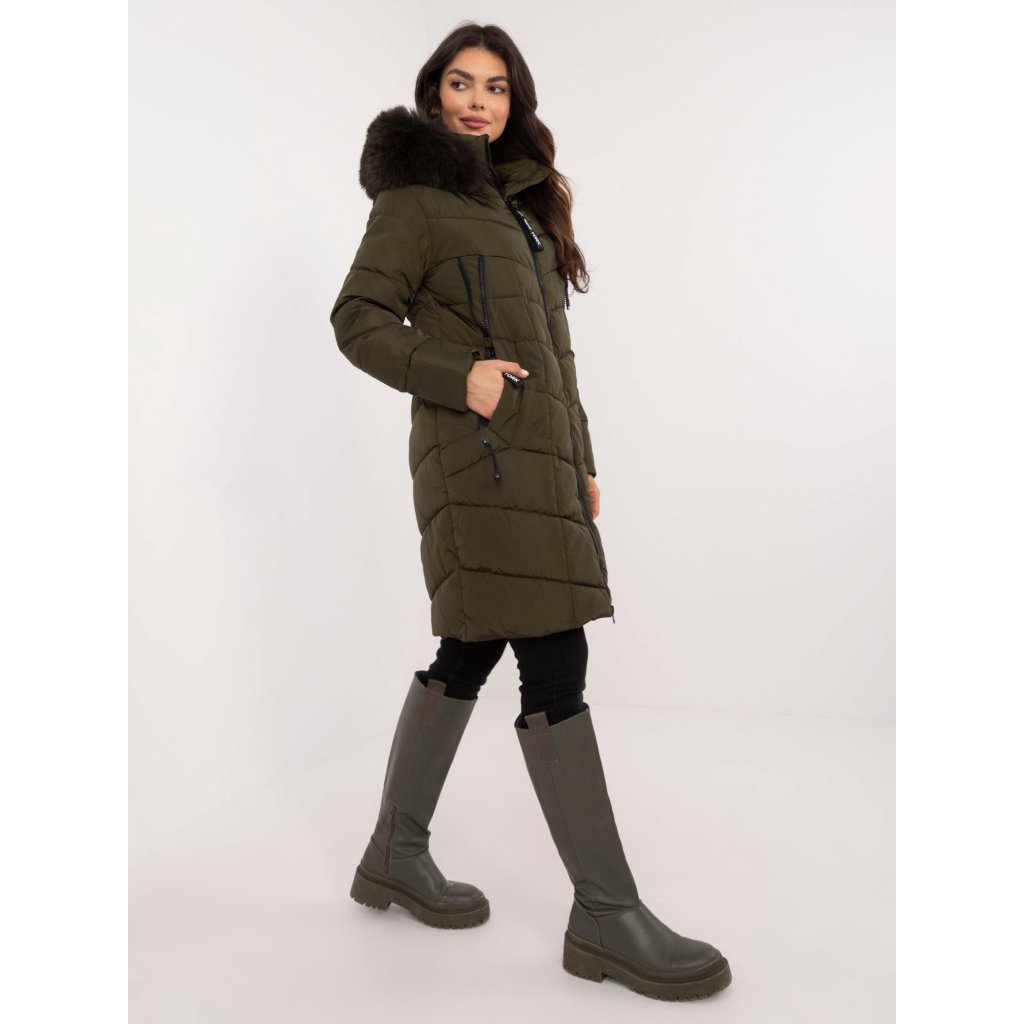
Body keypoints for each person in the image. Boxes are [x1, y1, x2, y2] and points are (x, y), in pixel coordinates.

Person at [329, 23, 732, 1002]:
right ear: (432, 94)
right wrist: (457, 374)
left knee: (470, 646)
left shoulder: (522, 205)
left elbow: (553, 355)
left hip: (536, 467)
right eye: (460, 83)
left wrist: (579, 459)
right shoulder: (415, 200)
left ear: (516, 102)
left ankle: (393, 855)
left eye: (496, 87)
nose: (478, 101)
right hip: (476, 465)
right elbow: (357, 319)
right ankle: (606, 914)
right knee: (554, 658)